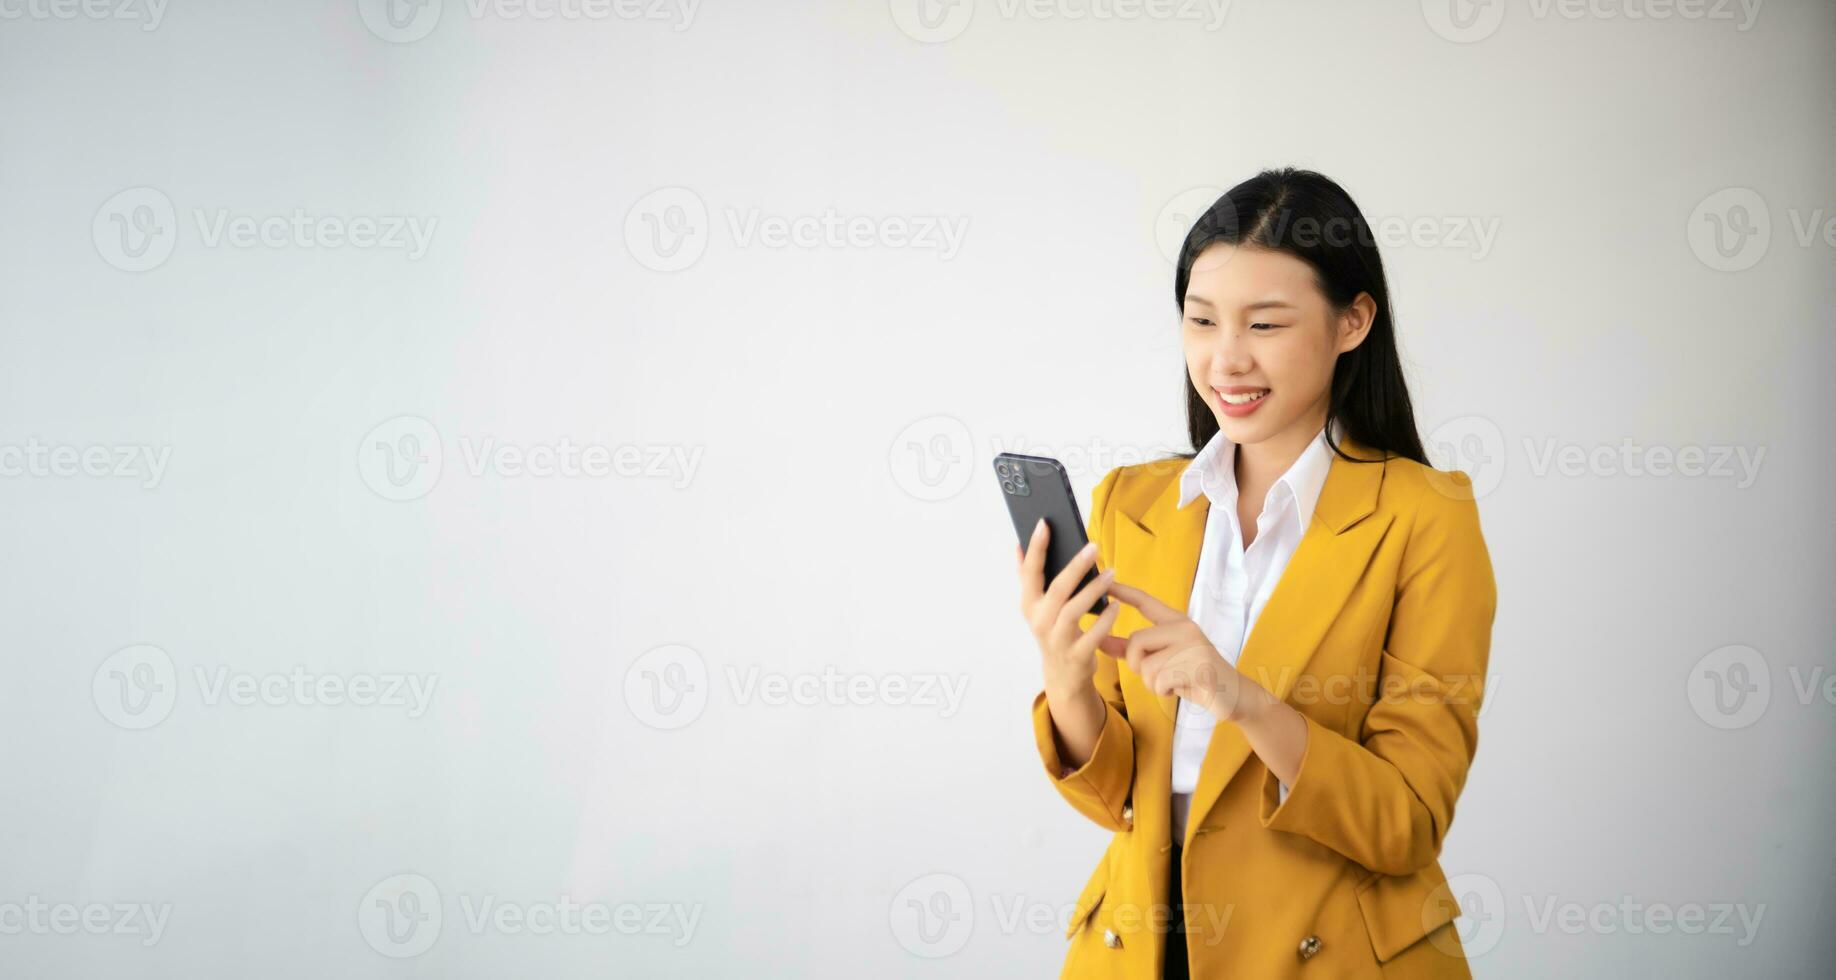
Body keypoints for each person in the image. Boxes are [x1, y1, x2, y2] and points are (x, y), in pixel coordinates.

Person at [1016, 168, 1497, 978]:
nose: (1225, 359)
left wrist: (1242, 699)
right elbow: (1116, 802)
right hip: (1139, 949)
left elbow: (1407, 822)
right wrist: (1065, 682)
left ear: (1353, 321)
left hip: (1327, 956)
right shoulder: (1131, 503)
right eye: (1200, 321)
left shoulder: (1425, 516)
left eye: (1265, 324)